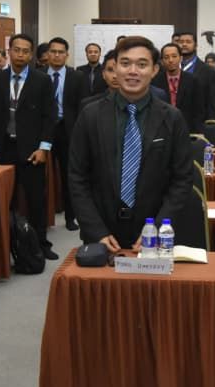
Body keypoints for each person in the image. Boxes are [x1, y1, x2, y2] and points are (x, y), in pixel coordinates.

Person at [68, 36, 194, 251]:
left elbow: (182, 179)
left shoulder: (172, 117)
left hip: (154, 232)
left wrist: (156, 228)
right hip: (102, 233)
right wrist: (96, 230)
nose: (132, 71)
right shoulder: (91, 115)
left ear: (155, 70)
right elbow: (77, 176)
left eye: (142, 64)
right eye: (125, 63)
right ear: (115, 68)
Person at [0, 33, 57, 258]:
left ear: (31, 54)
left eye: (25, 51)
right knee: (7, 199)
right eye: (16, 50)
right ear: (9, 52)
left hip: (32, 149)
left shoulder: (41, 80)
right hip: (3, 147)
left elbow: (49, 116)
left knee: (36, 199)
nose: (20, 55)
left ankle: (41, 245)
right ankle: (8, 244)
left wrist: (44, 148)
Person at [45, 37, 87, 231]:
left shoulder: (77, 76)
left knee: (69, 175)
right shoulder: (38, 75)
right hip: (44, 131)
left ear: (67, 55)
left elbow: (83, 106)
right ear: (48, 54)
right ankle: (44, 217)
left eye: (61, 52)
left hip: (68, 131)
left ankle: (71, 217)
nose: (56, 55)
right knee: (42, 177)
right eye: (53, 51)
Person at [152, 43, 205, 133]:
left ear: (180, 58)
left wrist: (197, 132)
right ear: (162, 61)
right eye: (166, 57)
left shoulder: (193, 81)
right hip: (162, 130)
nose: (170, 60)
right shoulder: (155, 81)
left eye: (174, 56)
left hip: (188, 129)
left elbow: (199, 110)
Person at [177, 32, 215, 120]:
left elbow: (212, 104)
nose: (184, 44)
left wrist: (210, 124)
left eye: (188, 42)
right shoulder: (169, 68)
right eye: (181, 42)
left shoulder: (209, 72)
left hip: (197, 121)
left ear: (196, 45)